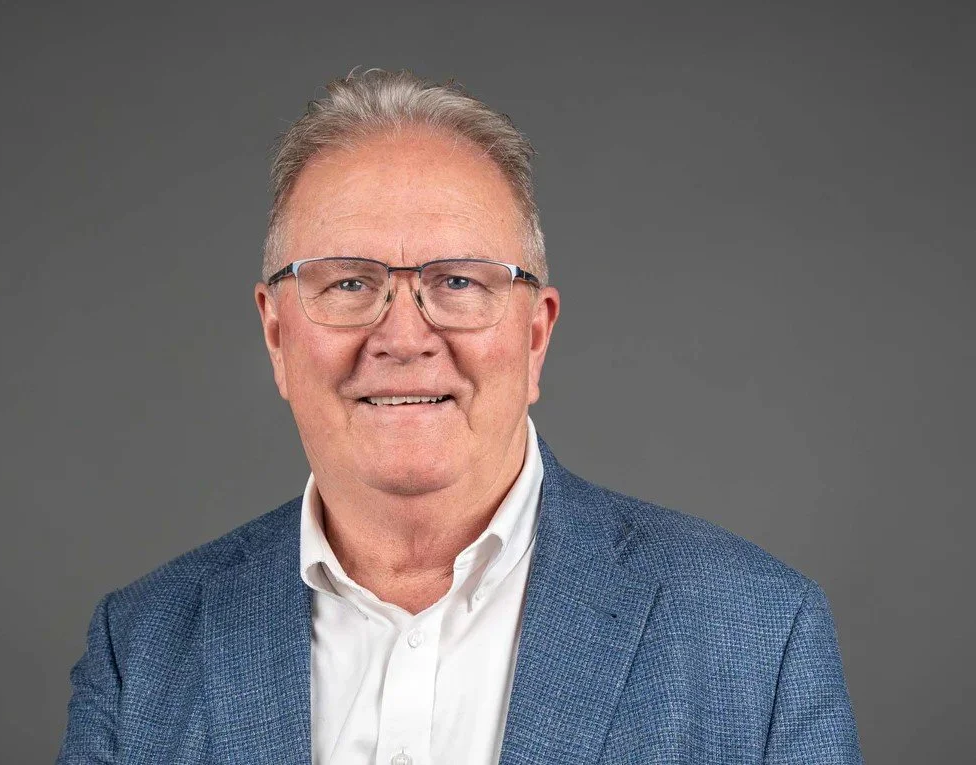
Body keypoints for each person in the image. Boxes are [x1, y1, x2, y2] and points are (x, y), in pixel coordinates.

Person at [58, 69, 862, 764]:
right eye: (347, 283)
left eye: (458, 283)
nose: (404, 336)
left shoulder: (758, 635)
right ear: (276, 334)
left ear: (536, 333)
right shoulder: (144, 647)